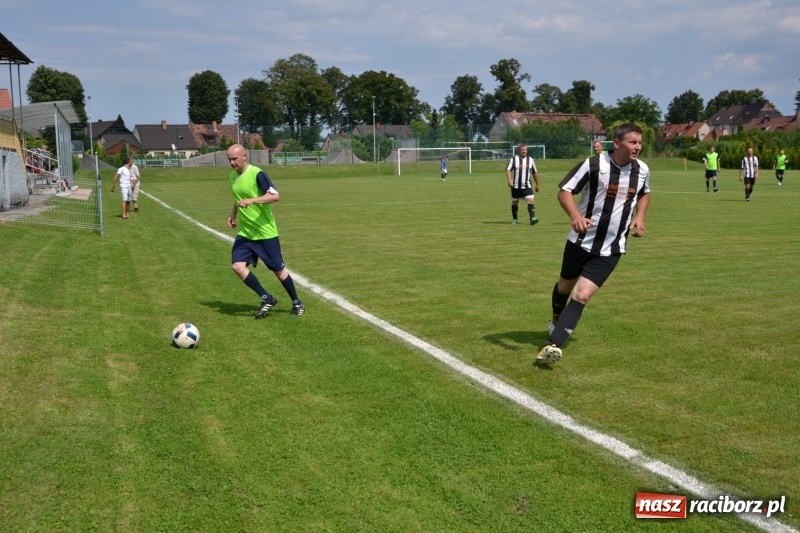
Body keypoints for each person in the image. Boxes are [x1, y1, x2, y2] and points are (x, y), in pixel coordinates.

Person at [536, 123, 651, 366]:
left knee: (582, 294)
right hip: (580, 241)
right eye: (633, 142)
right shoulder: (594, 164)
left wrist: (640, 217)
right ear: (617, 143)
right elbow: (564, 191)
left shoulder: (642, 170)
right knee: (565, 286)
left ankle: (552, 345)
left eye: (639, 143)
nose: (638, 147)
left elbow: (644, 192)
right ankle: (556, 318)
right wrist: (575, 216)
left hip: (612, 247)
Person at [225, 144, 305, 318]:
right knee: (237, 266)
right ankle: (267, 298)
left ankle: (297, 302)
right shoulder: (232, 177)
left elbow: (275, 196)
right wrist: (233, 214)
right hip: (246, 233)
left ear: (244, 156)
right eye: (229, 159)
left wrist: (252, 200)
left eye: (234, 159)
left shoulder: (257, 174)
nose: (232, 163)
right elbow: (238, 199)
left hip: (265, 232)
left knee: (278, 270)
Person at [506, 143, 541, 225]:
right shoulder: (514, 159)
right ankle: (515, 219)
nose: (524, 151)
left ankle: (532, 219)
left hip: (527, 186)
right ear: (519, 150)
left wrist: (538, 184)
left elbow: (534, 172)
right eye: (522, 150)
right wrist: (509, 180)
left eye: (525, 150)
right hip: (515, 186)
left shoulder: (530, 160)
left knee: (530, 200)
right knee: (515, 202)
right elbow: (508, 170)